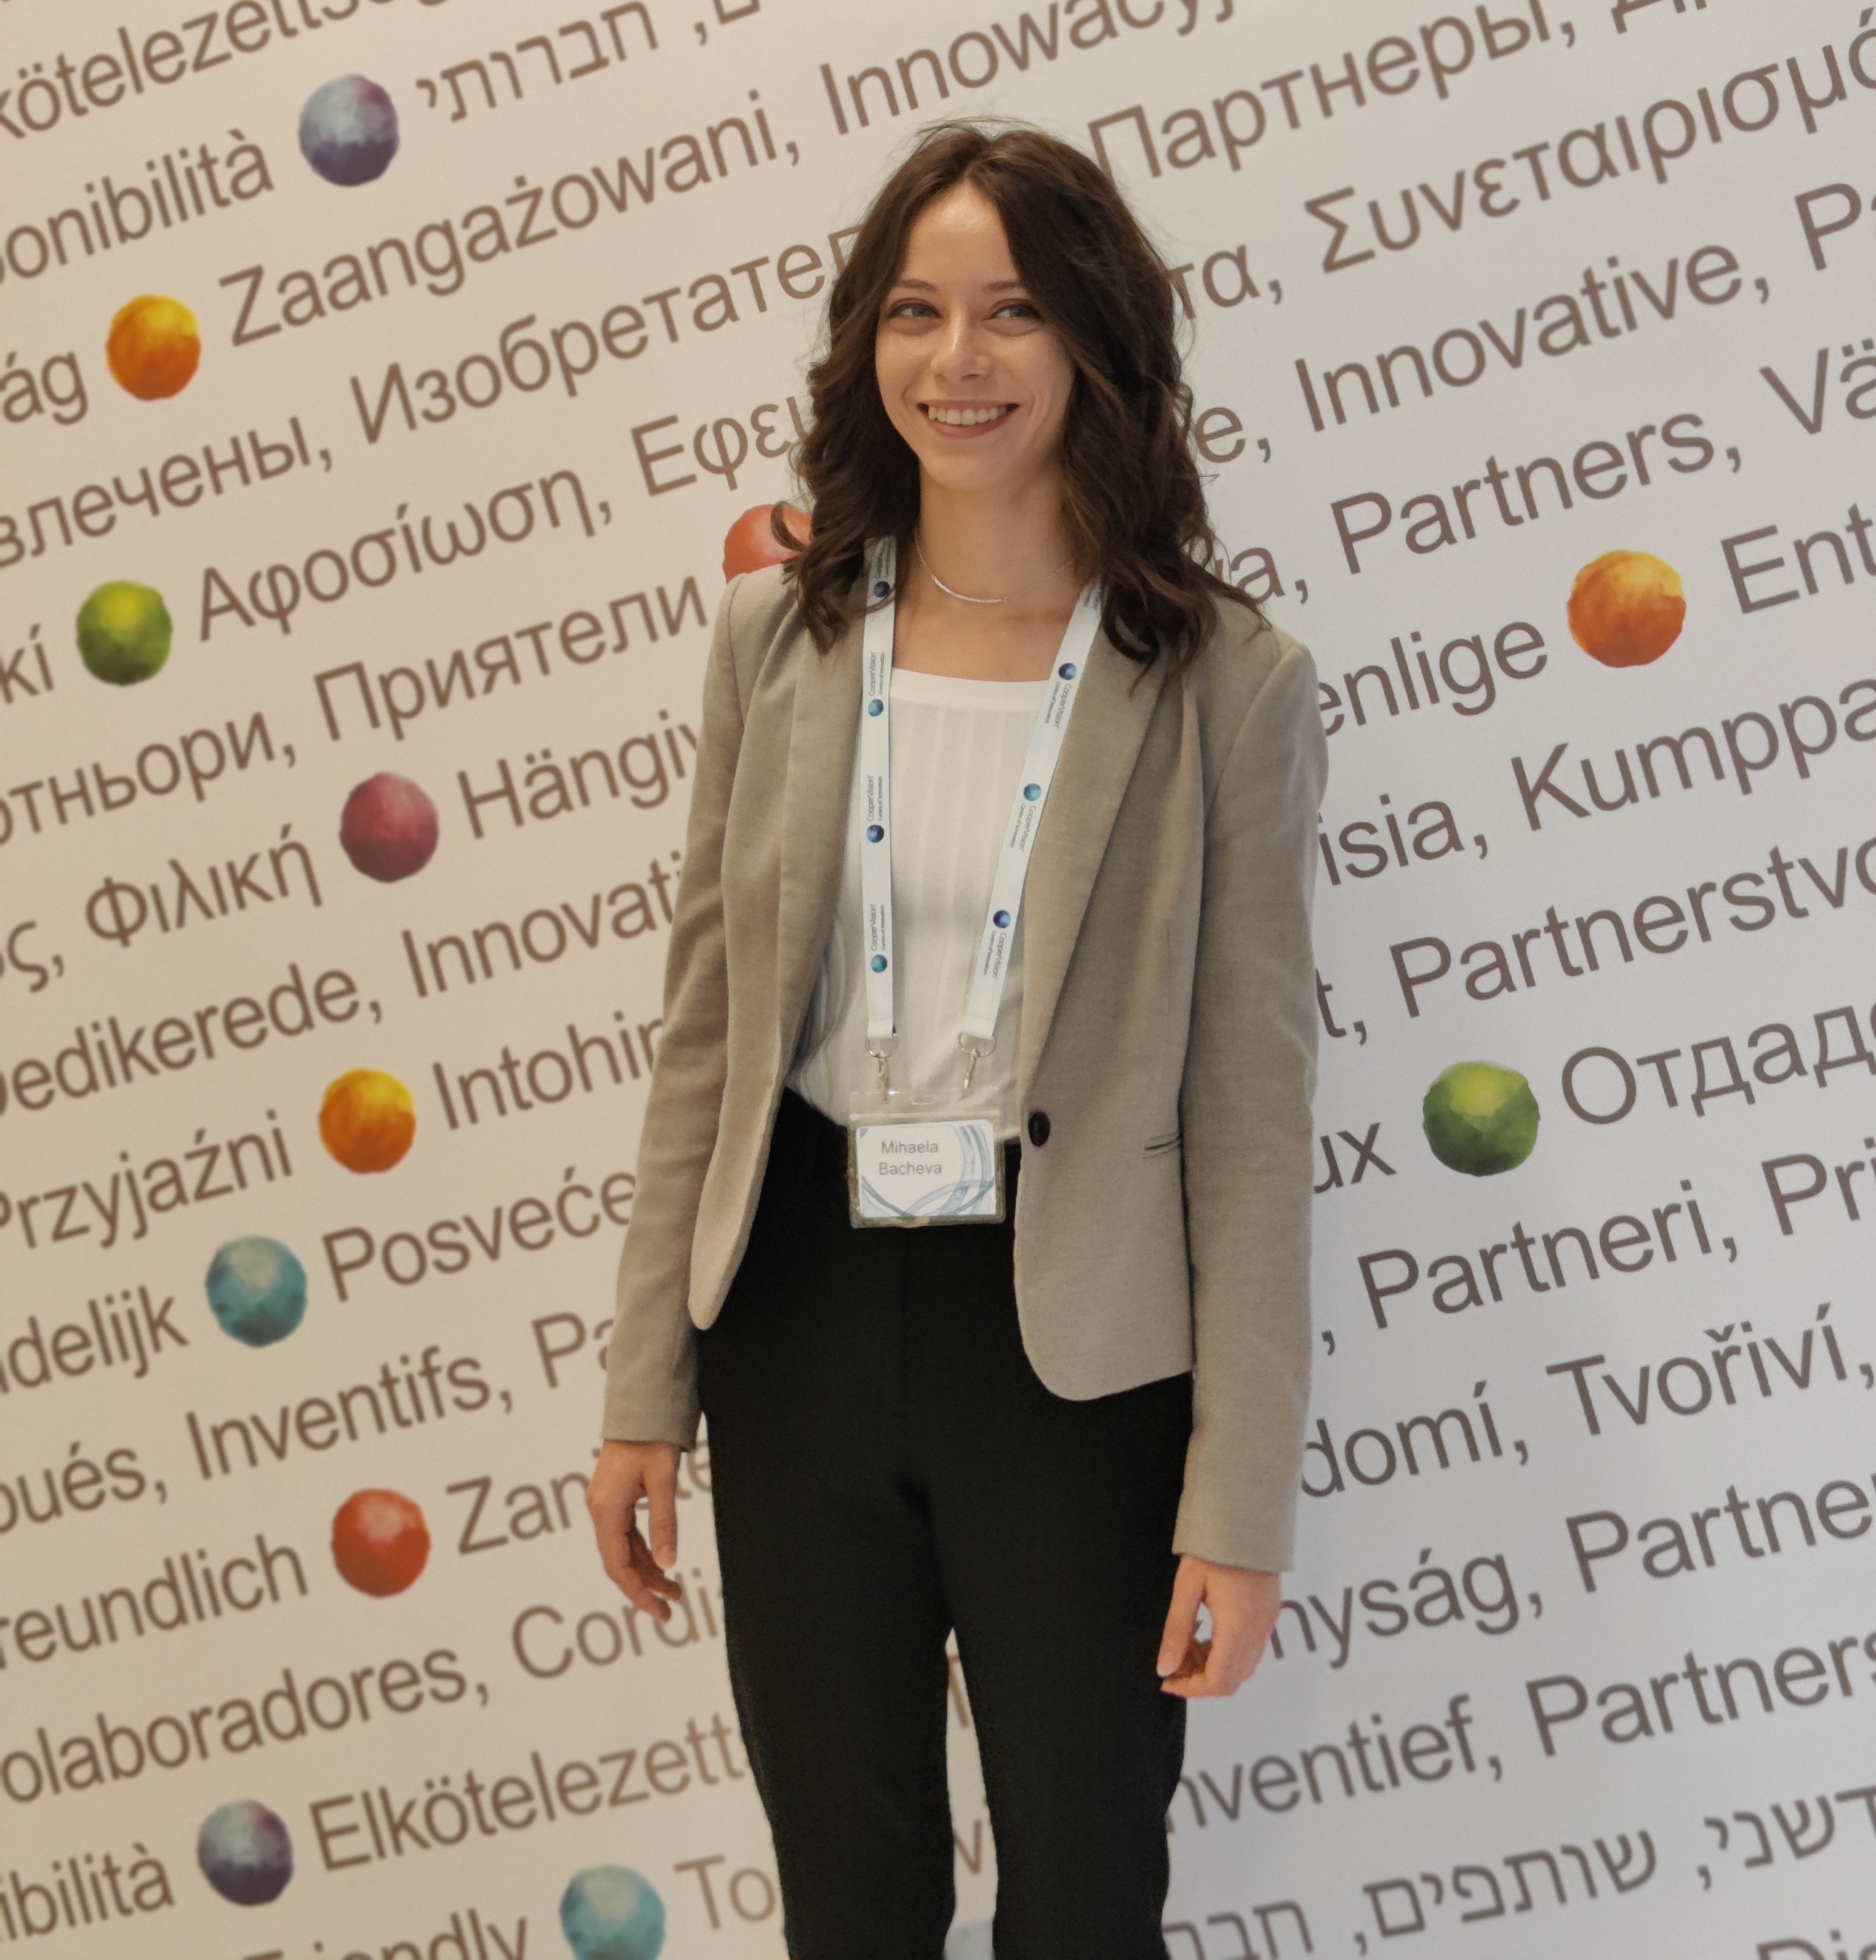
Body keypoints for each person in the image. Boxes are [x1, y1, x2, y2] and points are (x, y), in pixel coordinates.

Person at [586, 120, 1327, 1960]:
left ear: (1097, 339)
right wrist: (643, 1393)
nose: (958, 359)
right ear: (869, 345)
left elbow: (1250, 1111)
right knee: (850, 1903)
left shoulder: (1228, 684)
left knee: (1083, 1897)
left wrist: (1240, 1500)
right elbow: (706, 1040)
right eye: (915, 311)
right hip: (797, 1316)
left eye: (1012, 310)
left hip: (1072, 1354)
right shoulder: (774, 640)